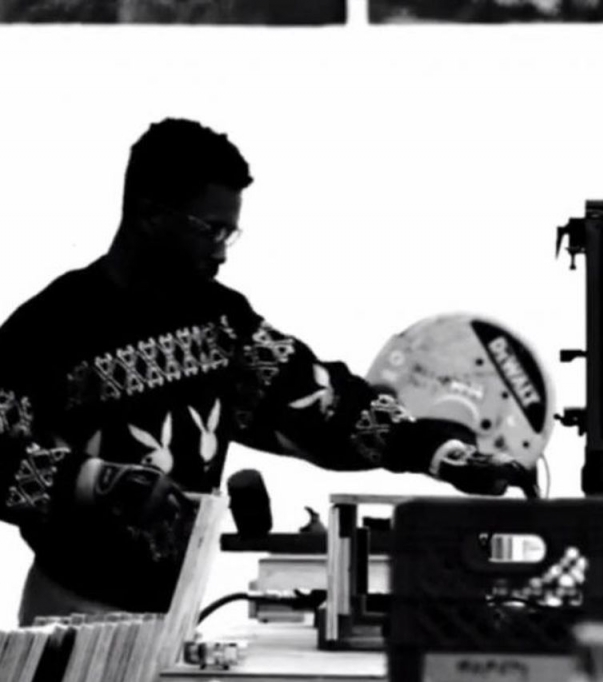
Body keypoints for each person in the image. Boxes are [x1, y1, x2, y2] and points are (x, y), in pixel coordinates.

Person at [0, 118, 518, 625]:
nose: (222, 250)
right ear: (149, 215)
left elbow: (320, 403)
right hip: (69, 610)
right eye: (211, 229)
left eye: (232, 232)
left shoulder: (223, 322)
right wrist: (100, 481)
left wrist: (439, 454)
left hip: (174, 610)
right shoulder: (48, 328)